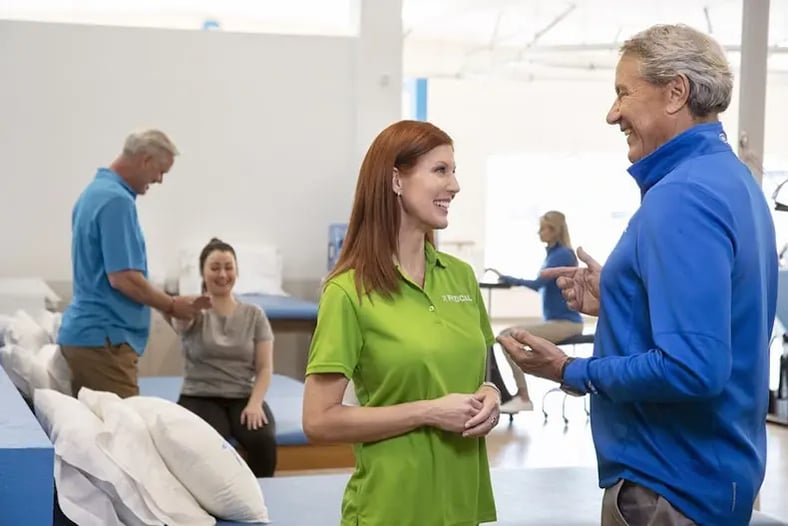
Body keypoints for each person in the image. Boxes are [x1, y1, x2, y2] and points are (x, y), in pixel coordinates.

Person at [498, 24, 778, 526]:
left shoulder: (682, 196)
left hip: (668, 487)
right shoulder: (733, 181)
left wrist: (570, 371)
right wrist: (623, 299)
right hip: (715, 475)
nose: (613, 114)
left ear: (676, 93)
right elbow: (721, 316)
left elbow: (694, 367)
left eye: (623, 93)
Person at [302, 120, 500, 526]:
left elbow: (485, 372)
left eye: (454, 170)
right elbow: (318, 419)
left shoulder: (460, 276)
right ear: (396, 179)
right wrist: (428, 412)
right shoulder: (348, 291)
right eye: (441, 170)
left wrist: (491, 394)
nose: (456, 185)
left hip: (461, 505)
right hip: (390, 508)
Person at [58, 129, 210, 399]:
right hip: (105, 342)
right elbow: (124, 277)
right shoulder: (116, 201)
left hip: (91, 338)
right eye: (160, 171)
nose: (159, 180)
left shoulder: (94, 193)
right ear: (145, 160)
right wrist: (172, 305)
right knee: (125, 435)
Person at [169, 238, 277, 477]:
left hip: (242, 395)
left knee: (263, 440)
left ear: (236, 271)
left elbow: (265, 368)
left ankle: (259, 502)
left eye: (228, 267)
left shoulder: (254, 314)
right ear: (203, 273)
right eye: (215, 267)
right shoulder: (194, 311)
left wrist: (255, 403)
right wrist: (186, 308)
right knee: (207, 446)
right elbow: (180, 322)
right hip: (199, 395)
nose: (222, 274)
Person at [495, 210, 584, 414]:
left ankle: (523, 396)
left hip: (567, 323)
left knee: (507, 336)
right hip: (556, 320)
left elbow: (538, 284)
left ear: (554, 230)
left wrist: (510, 279)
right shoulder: (553, 254)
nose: (539, 232)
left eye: (543, 228)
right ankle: (521, 395)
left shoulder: (563, 254)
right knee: (506, 335)